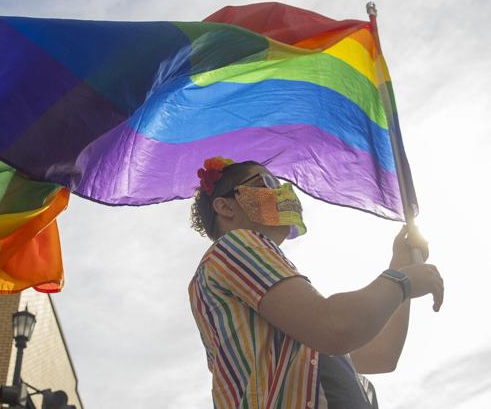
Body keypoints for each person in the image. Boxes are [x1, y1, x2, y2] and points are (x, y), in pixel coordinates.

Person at [188, 157, 444, 409]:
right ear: (225, 207)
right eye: (266, 182)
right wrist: (402, 281)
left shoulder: (282, 316)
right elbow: (335, 327)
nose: (281, 192)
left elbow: (381, 355)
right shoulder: (235, 245)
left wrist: (400, 263)